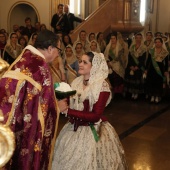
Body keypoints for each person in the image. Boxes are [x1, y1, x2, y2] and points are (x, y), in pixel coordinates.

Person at [0, 30, 68, 170]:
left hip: (11, 124)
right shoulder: (41, 67)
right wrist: (58, 106)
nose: (57, 54)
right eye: (58, 50)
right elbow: (46, 105)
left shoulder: (23, 58)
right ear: (50, 48)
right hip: (25, 128)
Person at [52, 52, 128, 170]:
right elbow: (69, 100)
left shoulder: (101, 86)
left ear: (94, 66)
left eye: (85, 62)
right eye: (80, 61)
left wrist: (67, 111)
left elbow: (95, 116)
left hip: (92, 131)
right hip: (72, 129)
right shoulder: (76, 82)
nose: (80, 64)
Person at [145, 37, 169, 103]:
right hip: (152, 69)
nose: (157, 43)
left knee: (158, 83)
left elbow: (166, 63)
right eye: (156, 42)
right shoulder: (151, 50)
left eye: (159, 42)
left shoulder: (165, 52)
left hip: (160, 70)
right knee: (151, 82)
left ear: (162, 43)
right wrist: (146, 69)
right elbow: (148, 61)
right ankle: (152, 96)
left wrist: (166, 71)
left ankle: (158, 96)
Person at [104, 32, 128, 97]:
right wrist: (108, 62)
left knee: (118, 78)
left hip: (118, 64)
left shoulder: (119, 47)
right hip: (110, 65)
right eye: (111, 38)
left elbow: (122, 57)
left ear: (116, 39)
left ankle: (118, 92)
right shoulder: (108, 47)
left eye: (114, 38)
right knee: (111, 78)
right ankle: (112, 92)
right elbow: (105, 56)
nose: (113, 40)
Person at [124, 32, 147, 100]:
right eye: (137, 38)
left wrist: (138, 66)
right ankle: (132, 93)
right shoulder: (132, 47)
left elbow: (143, 59)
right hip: (131, 66)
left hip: (139, 67)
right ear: (135, 38)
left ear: (142, 39)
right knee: (131, 78)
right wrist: (131, 66)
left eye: (140, 38)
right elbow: (129, 57)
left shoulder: (144, 48)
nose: (138, 39)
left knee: (137, 79)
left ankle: (136, 93)